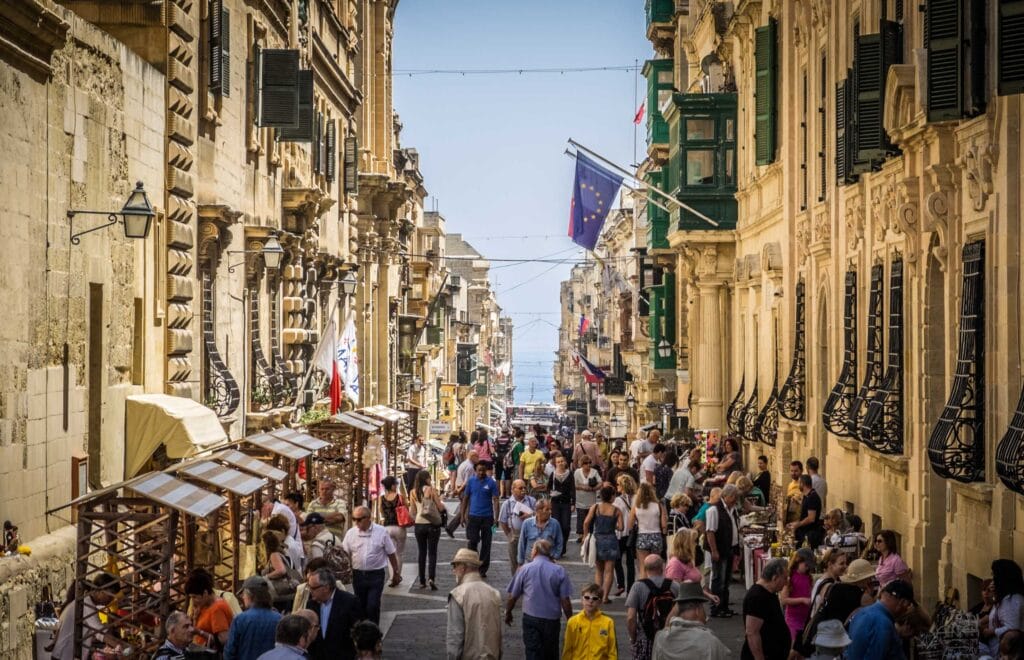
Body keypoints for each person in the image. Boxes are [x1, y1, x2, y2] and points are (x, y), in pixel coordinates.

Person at [505, 539, 574, 660]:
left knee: (532, 651)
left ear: (535, 551)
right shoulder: (559, 571)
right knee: (551, 652)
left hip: (531, 618)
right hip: (552, 619)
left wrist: (508, 612)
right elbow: (565, 600)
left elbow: (513, 596)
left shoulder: (524, 569)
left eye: (532, 549)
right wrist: (570, 619)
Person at [341, 505, 400, 624]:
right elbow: (344, 553)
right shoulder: (351, 533)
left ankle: (374, 632)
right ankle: (363, 633)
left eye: (359, 519)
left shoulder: (381, 531)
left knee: (372, 605)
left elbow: (391, 553)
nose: (356, 522)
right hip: (358, 575)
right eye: (354, 519)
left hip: (376, 575)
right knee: (360, 605)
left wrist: (396, 573)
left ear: (368, 518)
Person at [446, 548, 502, 660]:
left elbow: (455, 637)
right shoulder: (494, 593)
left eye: (455, 566)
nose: (453, 571)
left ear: (463, 567)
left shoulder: (458, 595)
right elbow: (498, 633)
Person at [651, 582, 730, 660]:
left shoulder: (660, 639)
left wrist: (679, 603)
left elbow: (667, 626)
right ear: (697, 610)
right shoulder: (711, 643)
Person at [303, 567, 364, 660]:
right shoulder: (311, 604)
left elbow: (358, 633)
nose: (310, 591)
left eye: (313, 588)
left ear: (326, 588)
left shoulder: (350, 602)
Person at [845, 579, 916, 660]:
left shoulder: (861, 612)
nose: (907, 609)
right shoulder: (882, 624)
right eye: (908, 605)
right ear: (903, 602)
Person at [625, 555, 679, 660]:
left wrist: (633, 638)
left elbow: (631, 618)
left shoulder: (638, 586)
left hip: (645, 637)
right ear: (662, 567)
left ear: (645, 569)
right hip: (669, 637)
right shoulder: (675, 585)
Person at [741, 557, 790, 660]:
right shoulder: (757, 597)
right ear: (775, 577)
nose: (786, 583)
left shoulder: (770, 593)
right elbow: (752, 633)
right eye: (784, 578)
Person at [705, 484, 741, 618]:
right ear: (726, 496)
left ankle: (724, 607)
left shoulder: (732, 509)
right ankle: (716, 607)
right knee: (718, 579)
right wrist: (714, 550)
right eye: (734, 497)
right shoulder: (714, 510)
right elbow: (710, 532)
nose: (736, 500)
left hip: (729, 548)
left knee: (726, 580)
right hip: (720, 549)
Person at [583, 485, 624, 603]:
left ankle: (598, 595)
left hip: (598, 539)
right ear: (612, 496)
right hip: (611, 540)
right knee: (609, 570)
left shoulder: (595, 507)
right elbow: (621, 528)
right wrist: (614, 525)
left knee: (599, 570)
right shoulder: (616, 510)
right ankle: (605, 596)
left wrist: (585, 536)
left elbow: (586, 522)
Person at [224, 576, 281, 660]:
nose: (243, 597)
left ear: (250, 595)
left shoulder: (240, 620)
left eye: (244, 594)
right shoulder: (279, 619)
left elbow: (229, 653)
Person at [562, 583, 617, 660]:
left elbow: (612, 651)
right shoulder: (573, 622)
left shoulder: (608, 622)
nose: (590, 601)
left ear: (600, 602)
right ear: (582, 600)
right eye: (587, 597)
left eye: (595, 598)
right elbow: (568, 649)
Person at [410, 469, 444, 589]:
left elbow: (412, 511)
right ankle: (431, 578)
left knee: (422, 553)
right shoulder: (431, 490)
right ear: (426, 479)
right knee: (432, 553)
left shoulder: (413, 492)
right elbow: (440, 507)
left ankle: (422, 581)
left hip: (419, 524)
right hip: (432, 524)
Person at [664, 529, 718, 604]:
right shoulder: (675, 563)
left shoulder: (688, 560)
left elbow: (692, 587)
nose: (696, 544)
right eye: (694, 541)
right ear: (686, 544)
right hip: (685, 607)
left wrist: (709, 595)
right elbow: (673, 590)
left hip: (693, 604)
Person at [185, 569, 234, 649]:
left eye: (194, 597)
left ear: (205, 593)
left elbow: (223, 639)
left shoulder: (217, 608)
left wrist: (199, 632)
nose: (193, 601)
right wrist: (195, 618)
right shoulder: (203, 606)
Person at [629, 481, 668, 580]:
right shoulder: (659, 506)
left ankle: (644, 589)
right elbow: (664, 525)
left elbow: (630, 525)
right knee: (656, 566)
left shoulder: (636, 507)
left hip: (642, 536)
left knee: (643, 566)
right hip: (656, 536)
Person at [986, 559, 1024, 657]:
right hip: (992, 647)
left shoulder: (1014, 600)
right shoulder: (1004, 596)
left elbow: (1013, 628)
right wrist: (994, 595)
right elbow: (996, 615)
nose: (992, 579)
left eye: (994, 576)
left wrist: (992, 631)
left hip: (1003, 653)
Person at [499, 479, 537, 574]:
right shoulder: (507, 503)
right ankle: (516, 582)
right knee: (514, 562)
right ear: (513, 489)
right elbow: (502, 521)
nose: (523, 490)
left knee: (530, 560)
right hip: (515, 535)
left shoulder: (531, 501)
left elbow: (539, 516)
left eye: (524, 488)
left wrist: (530, 515)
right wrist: (509, 535)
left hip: (530, 535)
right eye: (520, 488)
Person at [376, 476, 406, 588]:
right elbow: (406, 509)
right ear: (393, 485)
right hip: (399, 527)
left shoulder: (381, 498)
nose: (397, 486)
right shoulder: (400, 497)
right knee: (399, 553)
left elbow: (381, 513)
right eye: (396, 484)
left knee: (390, 554)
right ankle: (397, 576)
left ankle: (392, 576)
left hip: (387, 528)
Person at [781, 549, 815, 647]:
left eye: (809, 566)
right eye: (806, 565)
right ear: (797, 561)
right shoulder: (790, 578)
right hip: (793, 620)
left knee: (802, 649)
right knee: (793, 648)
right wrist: (802, 600)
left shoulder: (808, 577)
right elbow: (783, 600)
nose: (808, 568)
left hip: (805, 619)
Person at [262, 530, 300, 611]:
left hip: (280, 594)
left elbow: (281, 570)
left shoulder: (274, 555)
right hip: (286, 594)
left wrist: (266, 577)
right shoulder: (282, 553)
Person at [518, 497, 564, 565]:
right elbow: (522, 544)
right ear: (539, 511)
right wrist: (520, 563)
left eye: (550, 509)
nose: (550, 512)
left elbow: (560, 542)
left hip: (548, 562)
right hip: (530, 562)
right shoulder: (527, 524)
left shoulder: (555, 524)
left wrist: (555, 557)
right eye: (547, 509)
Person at [613, 474, 638, 596]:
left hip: (621, 533)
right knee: (630, 562)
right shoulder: (636, 498)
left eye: (618, 484)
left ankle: (621, 584)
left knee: (617, 560)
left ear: (622, 486)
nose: (616, 486)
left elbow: (615, 517)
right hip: (632, 532)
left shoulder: (618, 500)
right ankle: (631, 587)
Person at [548, 454, 575, 556]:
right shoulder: (553, 474)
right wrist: (551, 493)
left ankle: (563, 544)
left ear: (565, 462)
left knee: (566, 526)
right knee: (556, 525)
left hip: (566, 503)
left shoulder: (569, 474)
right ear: (555, 463)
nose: (560, 463)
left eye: (561, 461)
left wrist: (573, 503)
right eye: (558, 462)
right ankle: (557, 547)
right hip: (555, 503)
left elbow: (573, 489)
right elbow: (548, 488)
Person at [787, 474, 824, 548]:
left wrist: (798, 524)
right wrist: (794, 523)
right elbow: (804, 515)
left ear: (802, 484)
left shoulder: (812, 497)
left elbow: (811, 518)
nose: (798, 486)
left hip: (809, 534)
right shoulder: (806, 496)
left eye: (799, 483)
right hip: (803, 532)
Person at [573, 456, 601, 543]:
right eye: (586, 463)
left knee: (591, 518)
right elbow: (574, 485)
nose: (588, 465)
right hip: (580, 500)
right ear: (582, 464)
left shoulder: (594, 472)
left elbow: (600, 482)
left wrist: (594, 488)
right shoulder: (577, 472)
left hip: (591, 501)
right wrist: (582, 487)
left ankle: (590, 534)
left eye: (589, 463)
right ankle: (581, 535)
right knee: (581, 518)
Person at [972, 578, 997, 655]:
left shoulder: (995, 608)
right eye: (984, 590)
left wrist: (977, 624)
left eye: (989, 590)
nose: (986, 593)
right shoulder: (979, 606)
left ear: (994, 593)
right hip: (975, 641)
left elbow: (986, 629)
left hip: (988, 646)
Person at [494, 429, 514, 498]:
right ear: (507, 432)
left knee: (498, 477)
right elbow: (511, 450)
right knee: (507, 477)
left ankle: (497, 493)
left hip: (498, 460)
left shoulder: (497, 439)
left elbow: (495, 449)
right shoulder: (510, 440)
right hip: (507, 460)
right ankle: (507, 494)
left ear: (501, 432)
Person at [444, 433, 464, 498]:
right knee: (454, 479)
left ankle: (449, 490)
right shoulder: (456, 445)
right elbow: (458, 455)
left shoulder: (448, 444)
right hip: (455, 463)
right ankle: (453, 492)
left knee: (451, 478)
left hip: (449, 463)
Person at [784, 461, 804, 525]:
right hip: (790, 518)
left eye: (796, 471)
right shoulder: (790, 484)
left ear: (801, 471)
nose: (793, 473)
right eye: (791, 471)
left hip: (799, 520)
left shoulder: (804, 484)